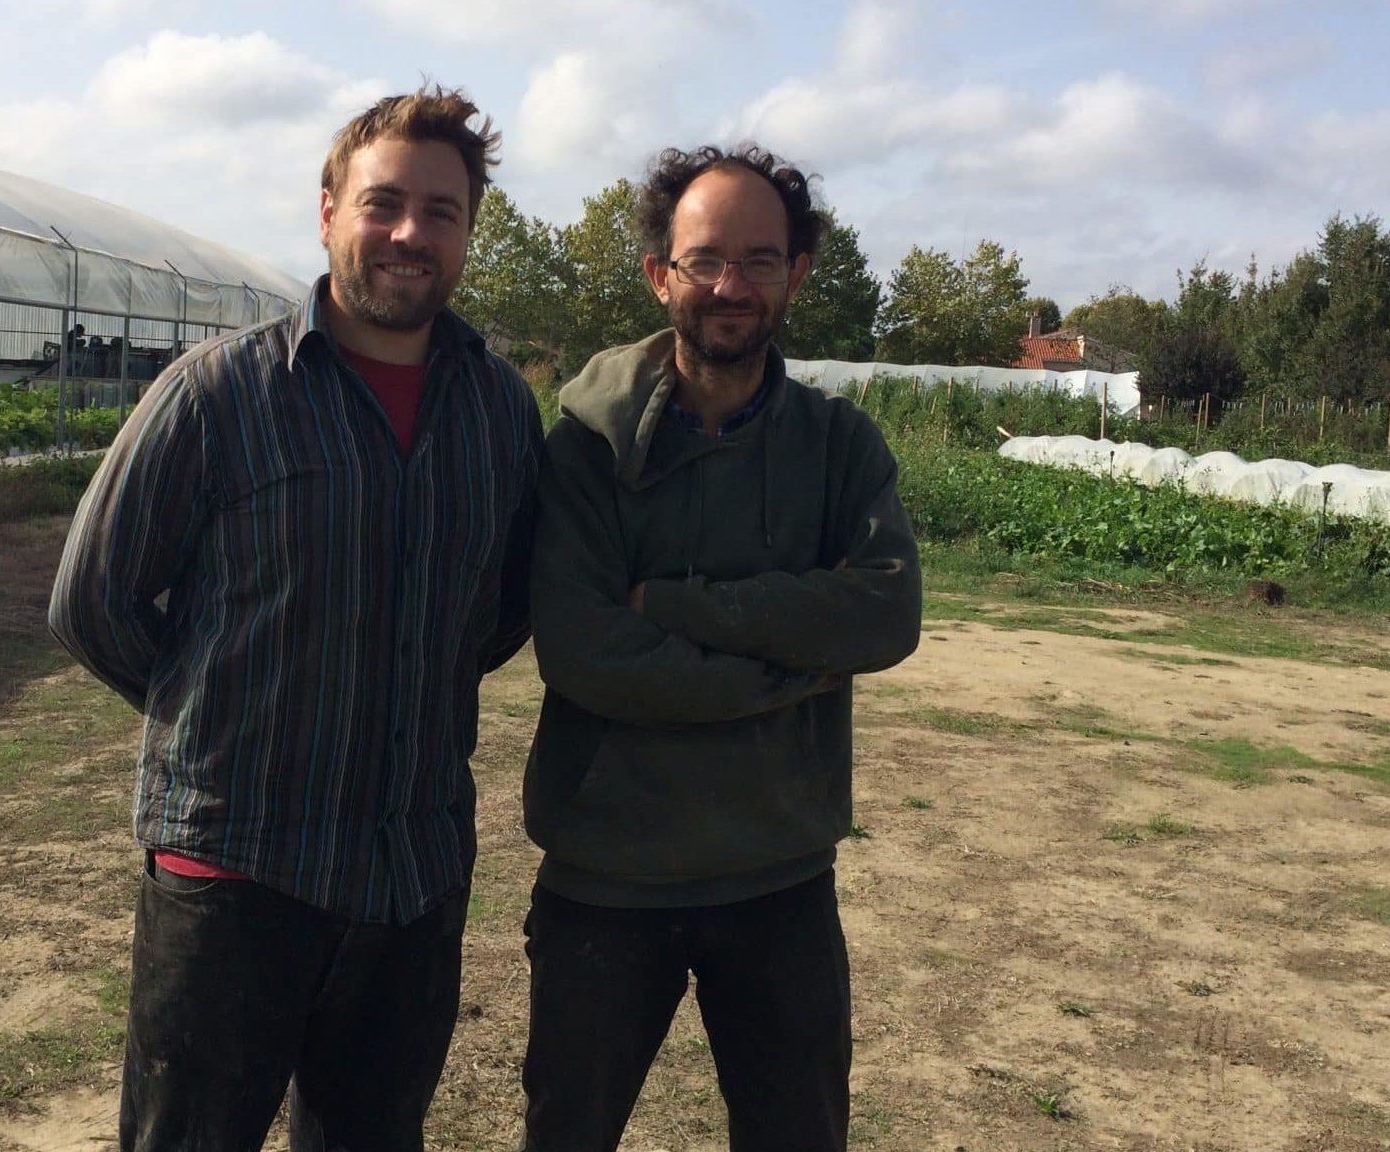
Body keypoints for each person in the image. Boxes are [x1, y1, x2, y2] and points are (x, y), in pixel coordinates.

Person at [47, 85, 541, 1152]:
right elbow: (92, 599)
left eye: (441, 211)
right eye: (382, 203)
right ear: (328, 214)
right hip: (235, 878)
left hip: (411, 878)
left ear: (467, 233)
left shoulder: (499, 409)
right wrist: (217, 722)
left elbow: (498, 611)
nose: (409, 233)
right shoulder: (218, 394)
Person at [519, 144, 922, 1151]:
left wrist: (674, 606)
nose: (731, 286)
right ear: (660, 274)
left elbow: (883, 614)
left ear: (796, 274)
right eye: (704, 259)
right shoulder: (584, 448)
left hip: (778, 875)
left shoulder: (840, 446)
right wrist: (790, 668)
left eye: (759, 260)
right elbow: (582, 651)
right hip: (606, 874)